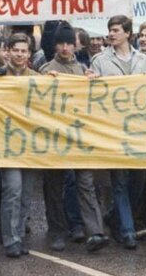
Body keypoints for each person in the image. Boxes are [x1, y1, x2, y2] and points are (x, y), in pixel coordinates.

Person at [38, 25, 108, 252]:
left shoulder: (82, 69)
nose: (65, 47)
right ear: (55, 45)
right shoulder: (47, 69)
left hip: (80, 138)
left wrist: (95, 83)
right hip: (55, 137)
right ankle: (57, 231)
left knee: (86, 184)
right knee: (54, 187)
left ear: (75, 44)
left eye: (69, 43)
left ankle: (95, 232)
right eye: (61, 43)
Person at [91, 14, 146, 249]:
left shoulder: (143, 60)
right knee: (119, 180)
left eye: (116, 30)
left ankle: (114, 217)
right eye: (110, 30)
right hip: (113, 127)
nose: (112, 34)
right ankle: (127, 231)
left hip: (139, 128)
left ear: (128, 33)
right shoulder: (100, 60)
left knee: (138, 178)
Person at [0, 33, 41, 257]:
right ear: (8, 51)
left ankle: (18, 235)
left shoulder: (38, 78)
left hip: (30, 144)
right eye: (16, 50)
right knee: (12, 189)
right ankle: (10, 238)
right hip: (7, 142)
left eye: (24, 51)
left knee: (26, 193)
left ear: (29, 54)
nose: (20, 54)